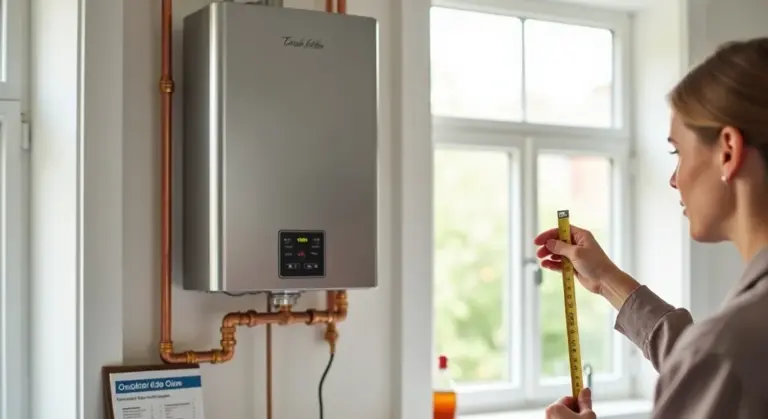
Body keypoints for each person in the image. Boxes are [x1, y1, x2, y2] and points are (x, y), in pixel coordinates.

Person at [535, 37, 768, 419]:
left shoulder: (729, 350)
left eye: (678, 152)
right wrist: (606, 279)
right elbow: (700, 361)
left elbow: (712, 358)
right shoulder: (735, 346)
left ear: (728, 150)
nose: (674, 180)